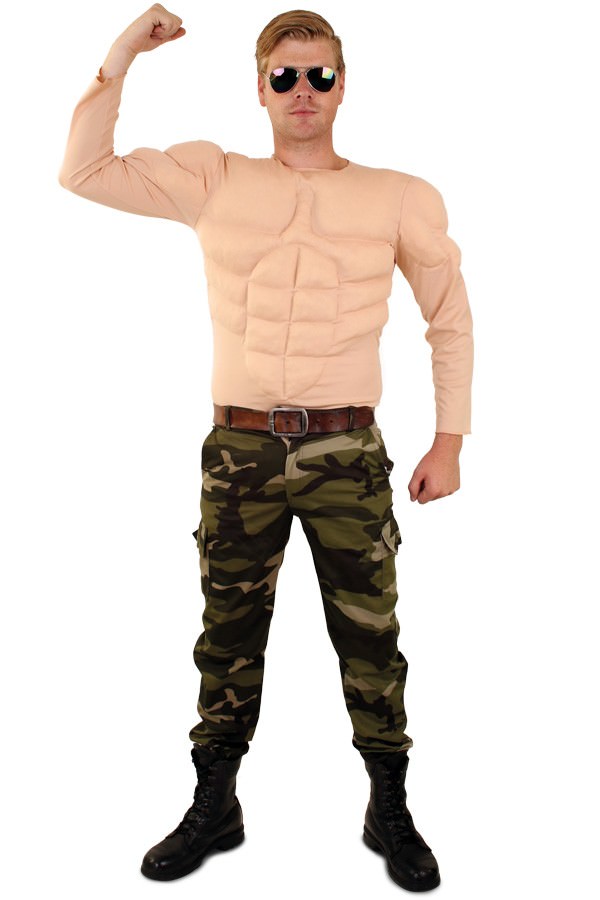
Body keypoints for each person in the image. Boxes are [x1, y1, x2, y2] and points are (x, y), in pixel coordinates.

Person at [58, 4, 473, 891]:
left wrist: (450, 440)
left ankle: (389, 803)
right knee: (227, 631)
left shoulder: (399, 194)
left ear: (343, 85)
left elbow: (449, 318)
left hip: (347, 449)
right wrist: (125, 52)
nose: (302, 90)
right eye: (285, 76)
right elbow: (83, 170)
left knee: (371, 633)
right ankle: (215, 801)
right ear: (260, 87)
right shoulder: (214, 176)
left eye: (319, 75)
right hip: (239, 448)